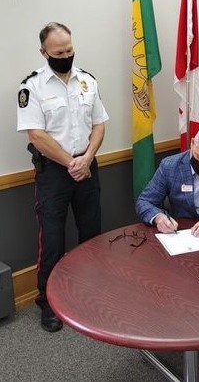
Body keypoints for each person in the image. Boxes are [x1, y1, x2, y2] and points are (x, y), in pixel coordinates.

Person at [17, 22, 109, 332]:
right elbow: (36, 135)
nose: (65, 55)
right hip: (54, 172)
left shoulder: (87, 81)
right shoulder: (32, 88)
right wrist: (72, 162)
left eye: (69, 50)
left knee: (92, 232)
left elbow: (99, 125)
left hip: (87, 163)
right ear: (44, 52)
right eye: (58, 52)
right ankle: (49, 301)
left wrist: (87, 158)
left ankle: (92, 292)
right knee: (53, 238)